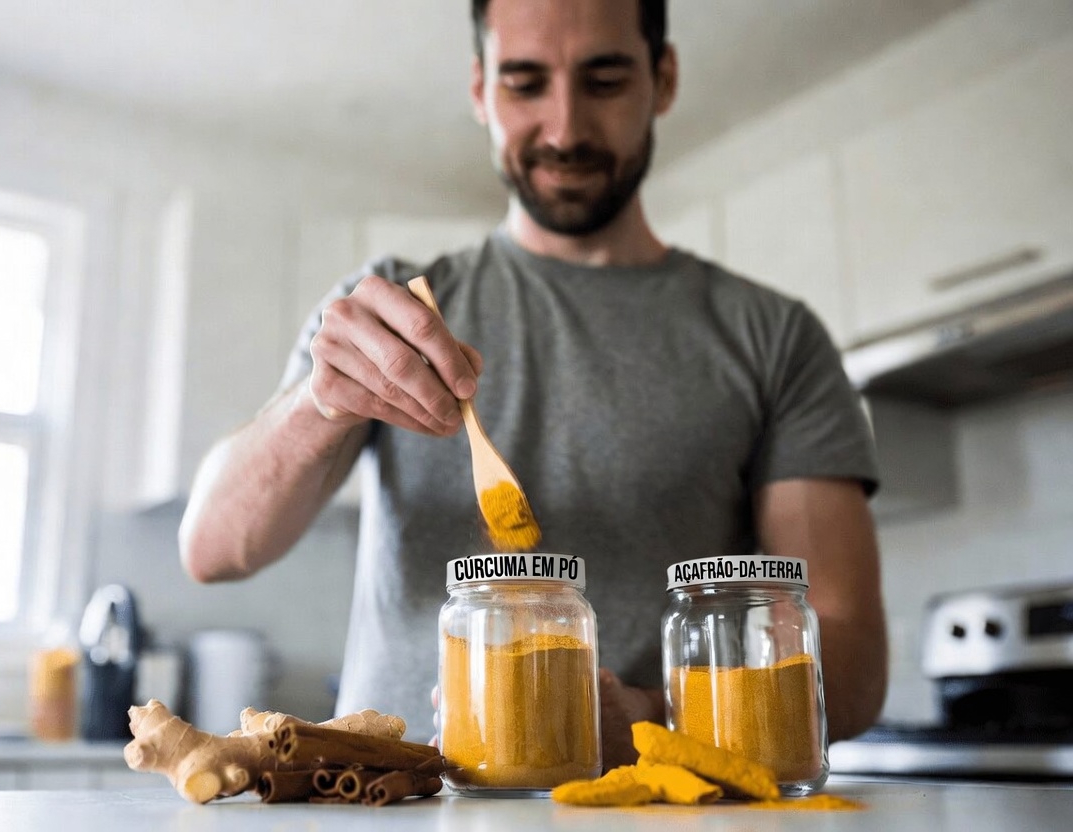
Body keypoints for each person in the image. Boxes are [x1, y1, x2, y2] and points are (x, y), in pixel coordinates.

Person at [179, 0, 887, 770]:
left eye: (605, 80)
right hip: (393, 807)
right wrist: (317, 405)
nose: (564, 129)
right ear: (481, 91)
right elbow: (213, 550)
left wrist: (654, 719)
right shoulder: (394, 307)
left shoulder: (774, 338)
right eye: (525, 84)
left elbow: (848, 662)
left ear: (665, 77)